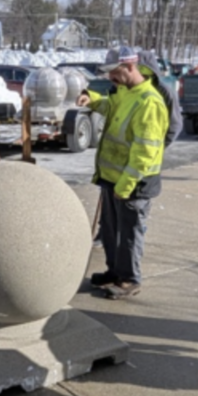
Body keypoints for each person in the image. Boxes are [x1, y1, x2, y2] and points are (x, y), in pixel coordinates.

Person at [76, 46, 169, 300]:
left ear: (130, 67)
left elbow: (145, 151)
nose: (110, 78)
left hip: (133, 183)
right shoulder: (125, 93)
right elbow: (112, 107)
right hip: (113, 179)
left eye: (114, 72)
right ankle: (114, 271)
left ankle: (129, 279)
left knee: (129, 234)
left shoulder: (149, 102)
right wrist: (92, 99)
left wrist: (126, 184)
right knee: (110, 230)